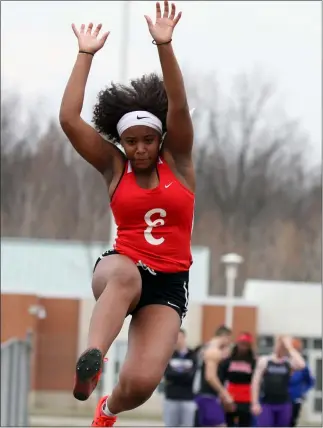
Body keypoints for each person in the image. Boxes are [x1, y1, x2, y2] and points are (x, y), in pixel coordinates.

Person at [59, 2, 195, 427]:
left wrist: (165, 45)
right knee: (124, 275)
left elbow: (179, 106)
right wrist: (85, 55)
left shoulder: (180, 163)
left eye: (147, 140)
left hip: (169, 280)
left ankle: (108, 410)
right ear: (121, 141)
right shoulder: (114, 168)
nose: (139, 149)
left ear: (160, 140)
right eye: (131, 141)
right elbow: (68, 119)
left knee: (139, 383)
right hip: (122, 266)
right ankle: (93, 356)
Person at [251, 335, 306, 427]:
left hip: (284, 403)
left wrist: (290, 347)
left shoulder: (288, 362)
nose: (281, 347)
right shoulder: (265, 361)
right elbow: (255, 382)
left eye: (283, 345)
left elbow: (302, 365)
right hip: (267, 403)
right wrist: (255, 402)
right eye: (279, 343)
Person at [193, 325, 234, 427]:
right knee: (221, 425)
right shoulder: (214, 351)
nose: (229, 343)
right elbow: (210, 377)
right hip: (208, 397)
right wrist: (225, 393)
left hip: (204, 395)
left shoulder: (206, 348)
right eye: (229, 339)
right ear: (225, 337)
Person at [219, 332, 256, 427]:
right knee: (229, 423)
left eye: (246, 345)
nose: (243, 347)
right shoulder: (228, 360)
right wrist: (224, 397)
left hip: (246, 398)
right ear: (237, 344)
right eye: (241, 344)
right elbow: (221, 380)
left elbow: (256, 381)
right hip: (230, 397)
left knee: (245, 424)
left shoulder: (253, 362)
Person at [163, 329, 197, 427]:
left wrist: (176, 374)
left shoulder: (193, 355)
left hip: (188, 399)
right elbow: (168, 374)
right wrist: (184, 374)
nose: (178, 340)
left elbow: (192, 375)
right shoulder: (168, 355)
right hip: (171, 398)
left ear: (184, 338)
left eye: (180, 337)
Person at [288, 339, 315, 427]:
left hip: (295, 400)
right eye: (294, 348)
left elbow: (310, 381)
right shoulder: (284, 363)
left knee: (292, 422)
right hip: (281, 399)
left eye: (298, 349)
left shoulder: (303, 366)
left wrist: (302, 392)